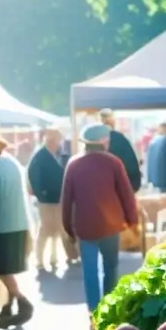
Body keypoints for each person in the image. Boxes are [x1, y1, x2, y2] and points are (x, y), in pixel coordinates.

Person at [61, 123, 138, 312]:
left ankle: (94, 312)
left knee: (90, 271)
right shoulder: (114, 162)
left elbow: (66, 200)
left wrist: (68, 229)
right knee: (110, 267)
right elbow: (126, 195)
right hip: (111, 226)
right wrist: (133, 221)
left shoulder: (74, 164)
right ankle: (109, 309)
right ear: (103, 141)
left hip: (84, 227)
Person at [0, 132, 34, 326]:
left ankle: (22, 301)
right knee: (5, 267)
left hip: (1, 226)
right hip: (19, 224)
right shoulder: (12, 163)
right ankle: (6, 309)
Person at [28, 128, 78, 271]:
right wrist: (41, 194)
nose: (59, 144)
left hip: (56, 199)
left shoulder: (52, 155)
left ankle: (54, 257)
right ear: (51, 141)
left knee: (56, 229)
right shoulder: (41, 156)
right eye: (58, 141)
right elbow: (34, 177)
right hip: (47, 200)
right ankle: (39, 259)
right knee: (45, 230)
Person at [98, 109, 142, 192]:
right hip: (121, 189)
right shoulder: (120, 139)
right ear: (113, 121)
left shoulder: (94, 140)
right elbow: (132, 167)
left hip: (100, 189)